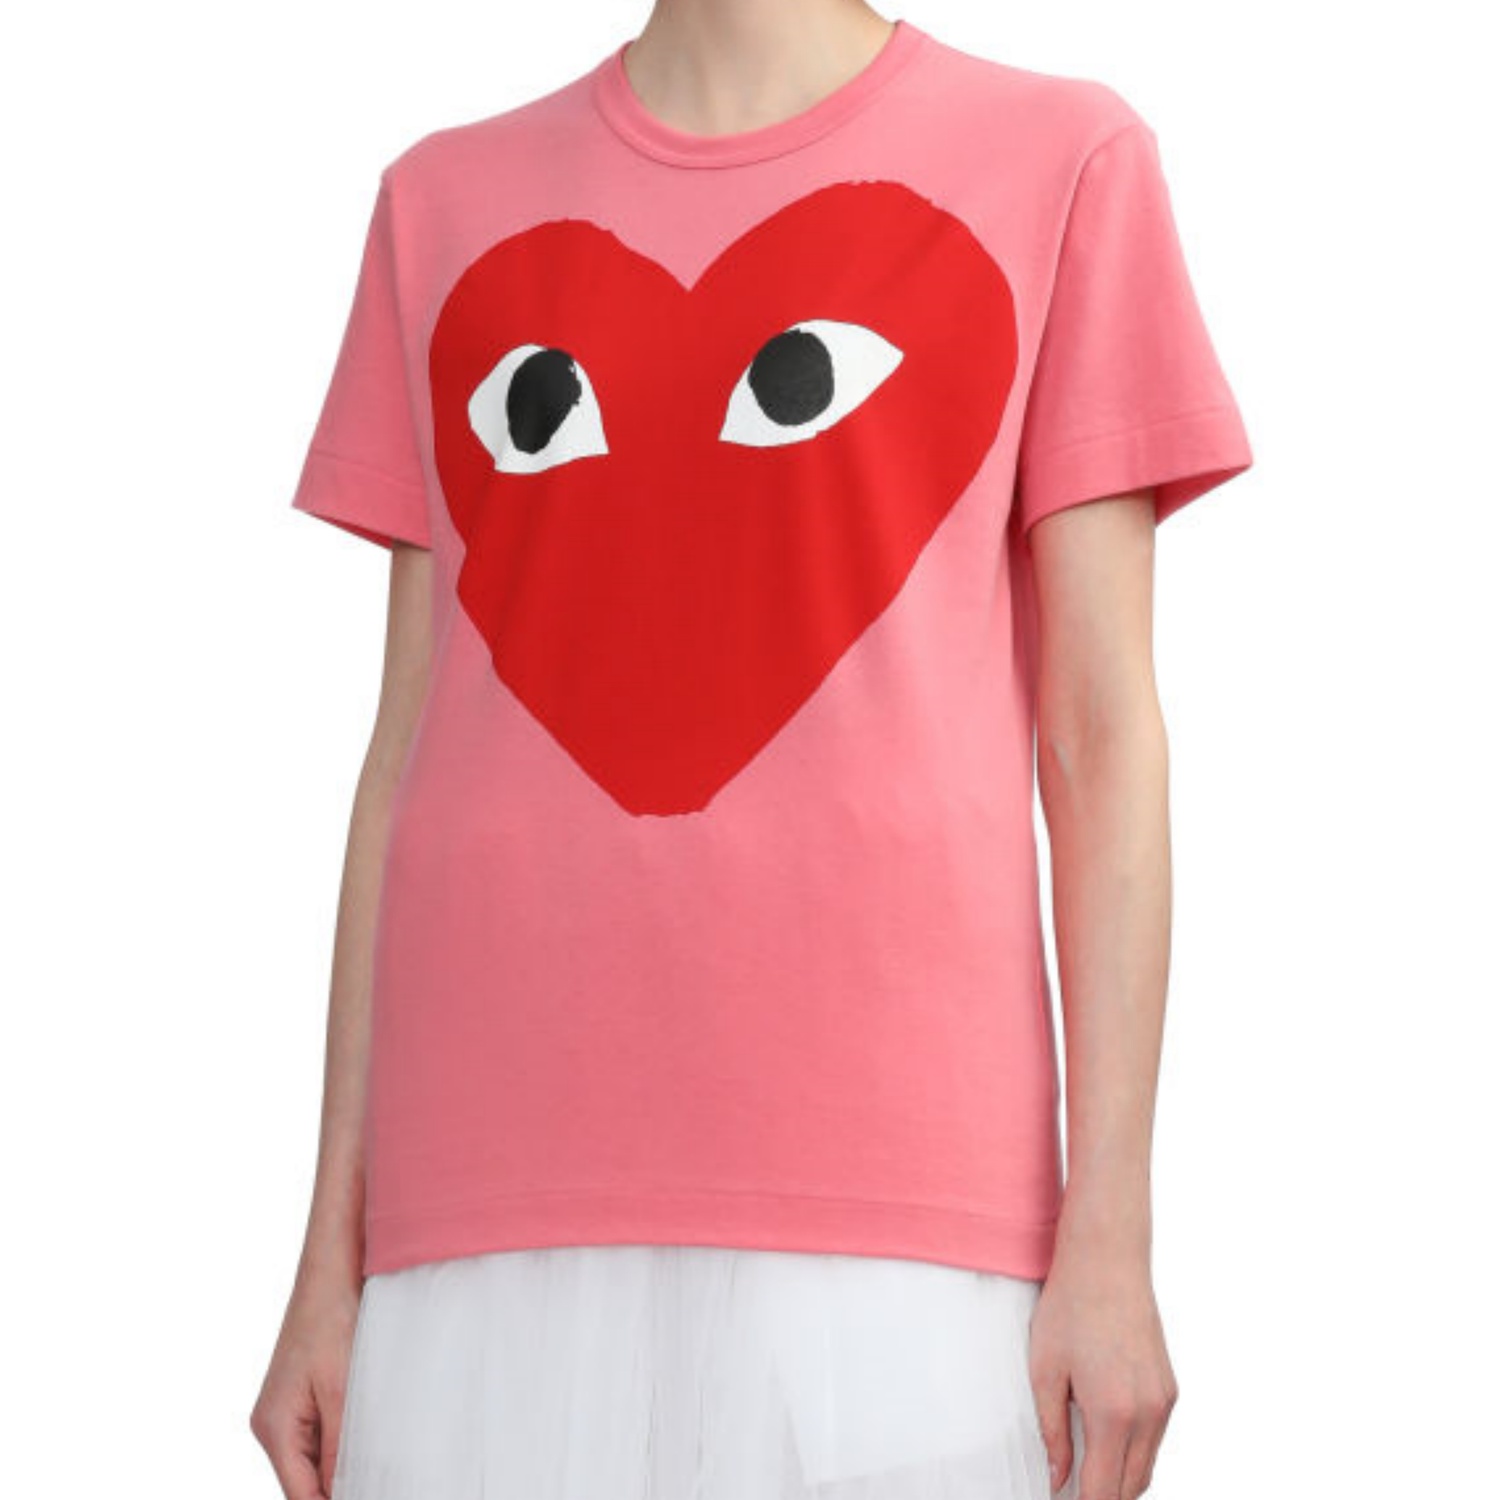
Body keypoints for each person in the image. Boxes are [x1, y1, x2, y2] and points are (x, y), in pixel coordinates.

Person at [248, 3, 1254, 1498]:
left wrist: (1112, 1231)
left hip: (900, 1195)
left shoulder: (1060, 159)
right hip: (482, 1196)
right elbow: (407, 743)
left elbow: (1101, 737)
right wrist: (326, 1254)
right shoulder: (442, 199)